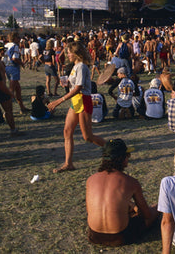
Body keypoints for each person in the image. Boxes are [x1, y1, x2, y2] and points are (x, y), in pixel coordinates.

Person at [86, 139, 158, 246]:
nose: (128, 159)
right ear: (121, 158)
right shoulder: (131, 182)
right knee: (156, 209)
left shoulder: (90, 180)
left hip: (94, 235)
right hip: (120, 236)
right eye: (127, 155)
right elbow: (146, 214)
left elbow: (90, 210)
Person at [48, 41, 106, 173]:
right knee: (67, 131)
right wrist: (66, 84)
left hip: (83, 100)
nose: (67, 55)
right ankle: (68, 163)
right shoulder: (75, 66)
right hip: (75, 101)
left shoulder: (81, 67)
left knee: (88, 137)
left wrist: (59, 101)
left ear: (76, 53)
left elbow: (79, 88)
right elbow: (74, 85)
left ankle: (114, 149)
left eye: (69, 52)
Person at [0, 44, 23, 136]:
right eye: (0, 50)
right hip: (0, 89)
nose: (2, 52)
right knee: (9, 110)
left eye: (3, 50)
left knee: (8, 111)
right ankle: (13, 130)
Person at [4, 32, 29, 113]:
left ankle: (22, 107)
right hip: (13, 68)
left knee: (18, 89)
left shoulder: (6, 45)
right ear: (14, 38)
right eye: (18, 37)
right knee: (11, 90)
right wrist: (22, 63)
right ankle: (7, 111)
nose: (19, 39)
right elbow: (14, 58)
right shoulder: (15, 46)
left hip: (7, 67)